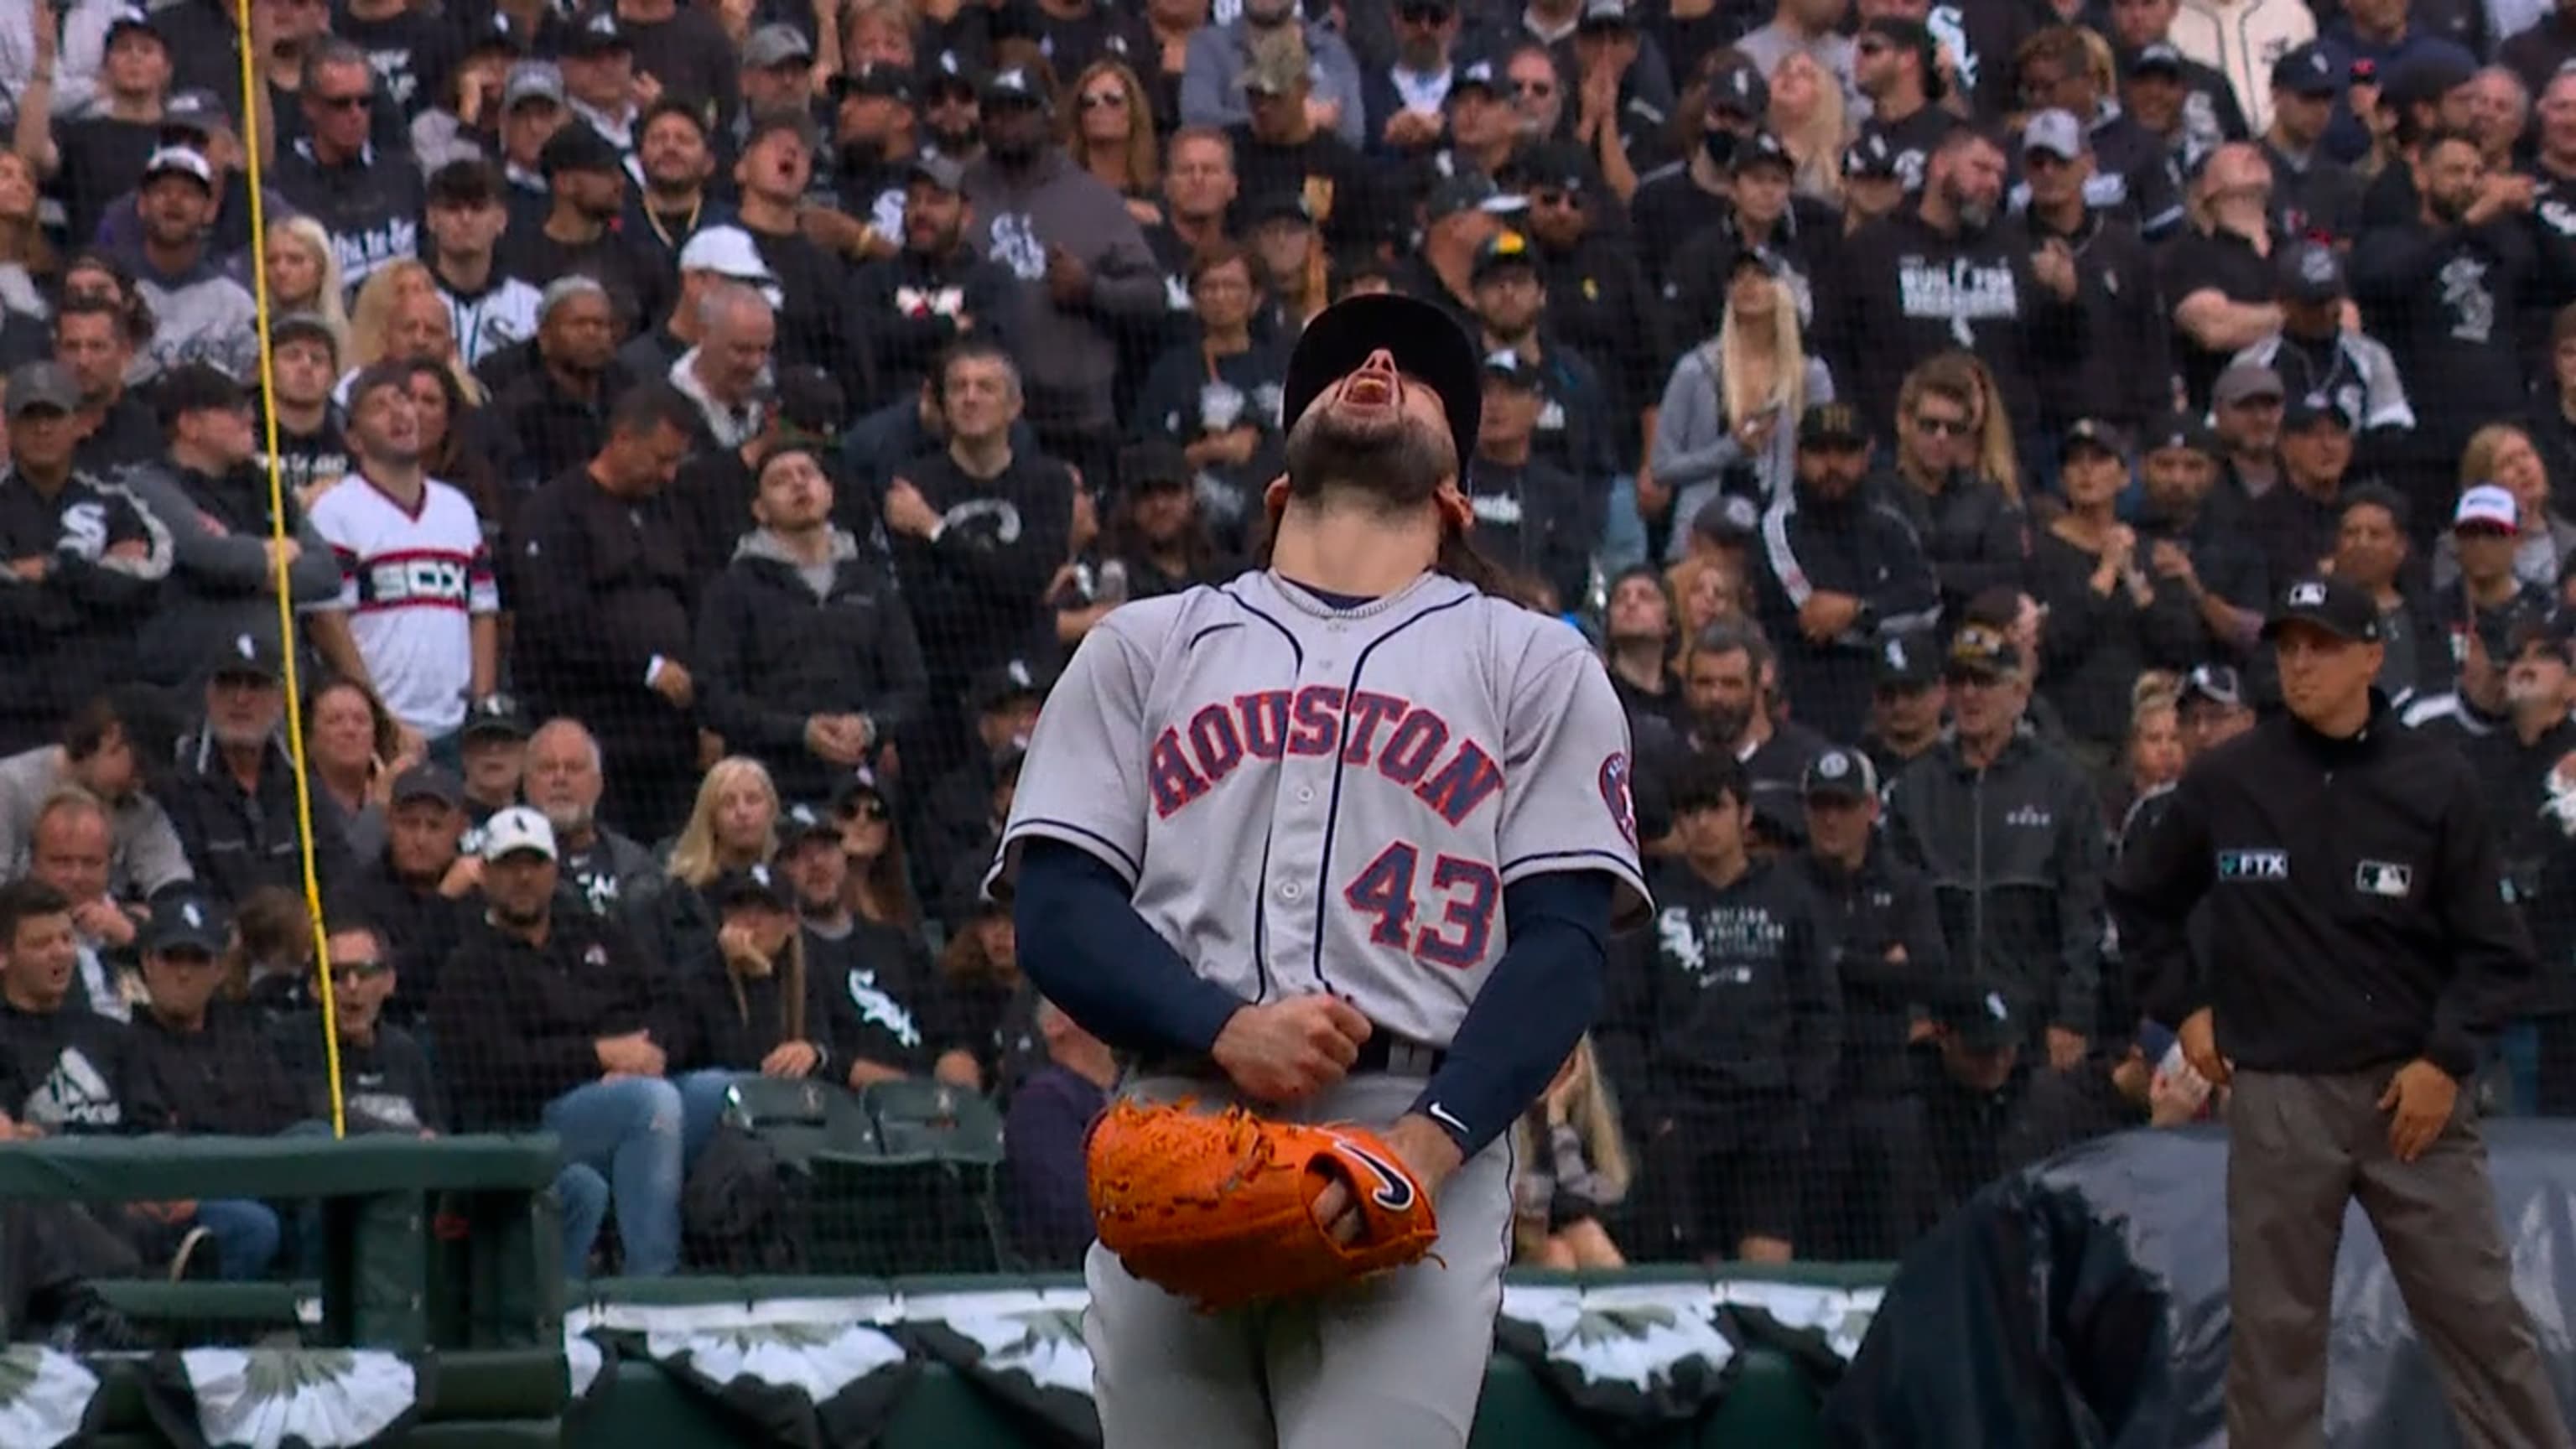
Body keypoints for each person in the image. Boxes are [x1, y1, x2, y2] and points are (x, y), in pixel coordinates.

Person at [985, 293, 1647, 1446]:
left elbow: (1563, 946)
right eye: (1342, 363)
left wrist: (1429, 1147)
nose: (1379, 363)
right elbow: (1056, 909)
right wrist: (1221, 1022)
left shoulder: (1532, 662)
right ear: (1280, 482)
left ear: (1456, 494)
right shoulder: (1146, 645)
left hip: (1414, 1130)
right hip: (1182, 1115)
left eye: (1417, 373)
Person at [2108, 574, 2569, 1446]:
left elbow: (2499, 951)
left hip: (2412, 1101)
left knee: (2481, 1325)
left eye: (2321, 645)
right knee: (2273, 1345)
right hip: (2279, 1094)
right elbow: (2140, 899)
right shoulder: (2228, 779)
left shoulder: (2436, 779)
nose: (2300, 664)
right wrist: (2186, 1008)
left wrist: (2445, 1060)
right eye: (2287, 647)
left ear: (2371, 655)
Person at [433, 807, 696, 1277]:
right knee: (651, 1104)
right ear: (486, 875)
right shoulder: (469, 963)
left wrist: (651, 1052)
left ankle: (732, 1269)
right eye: (509, 866)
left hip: (629, 1082)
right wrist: (598, 1059)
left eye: (534, 864)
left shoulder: (596, 934)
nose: (523, 878)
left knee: (715, 1092)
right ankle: (652, 1286)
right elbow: (494, 1069)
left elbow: (672, 1000)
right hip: (531, 1122)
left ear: (554, 871)